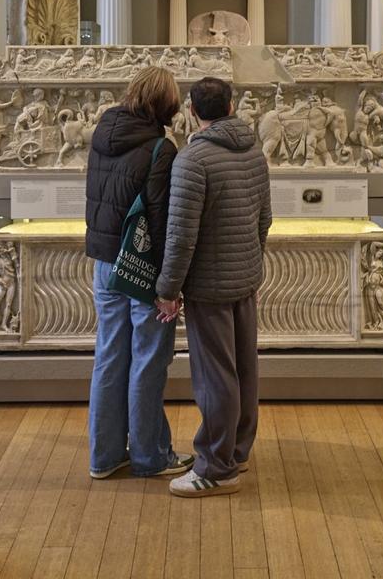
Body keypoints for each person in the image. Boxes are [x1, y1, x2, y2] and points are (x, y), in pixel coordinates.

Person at [156, 76, 272, 498]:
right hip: (243, 280)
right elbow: (264, 220)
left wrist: (169, 288)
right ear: (231, 105)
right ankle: (237, 450)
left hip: (208, 284)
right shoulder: (254, 153)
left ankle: (217, 468)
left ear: (191, 110)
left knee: (214, 376)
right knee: (243, 370)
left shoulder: (193, 160)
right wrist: (253, 268)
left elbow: (181, 235)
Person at [83, 66, 193, 480]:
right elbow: (163, 220)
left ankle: (104, 455)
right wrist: (170, 285)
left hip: (105, 262)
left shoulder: (101, 135)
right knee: (148, 360)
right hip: (144, 266)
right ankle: (150, 456)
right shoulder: (158, 148)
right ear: (162, 103)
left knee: (110, 356)